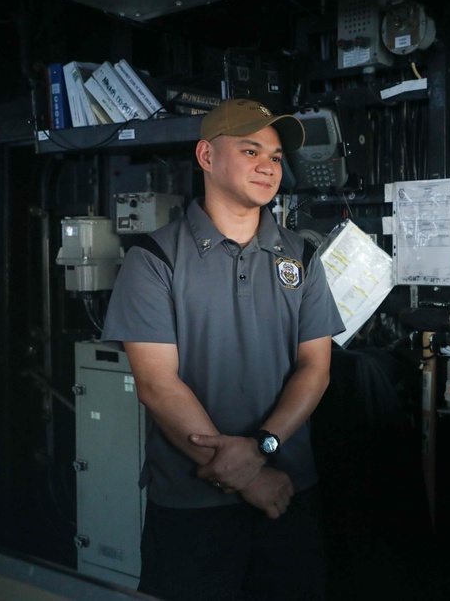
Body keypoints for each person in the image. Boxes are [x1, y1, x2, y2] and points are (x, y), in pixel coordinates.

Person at [102, 98, 344, 600]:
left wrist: (261, 450)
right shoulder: (154, 258)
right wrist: (246, 477)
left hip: (287, 493)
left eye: (275, 157)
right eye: (251, 149)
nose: (267, 165)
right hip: (192, 506)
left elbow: (315, 368)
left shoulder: (301, 256)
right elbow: (157, 384)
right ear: (207, 157)